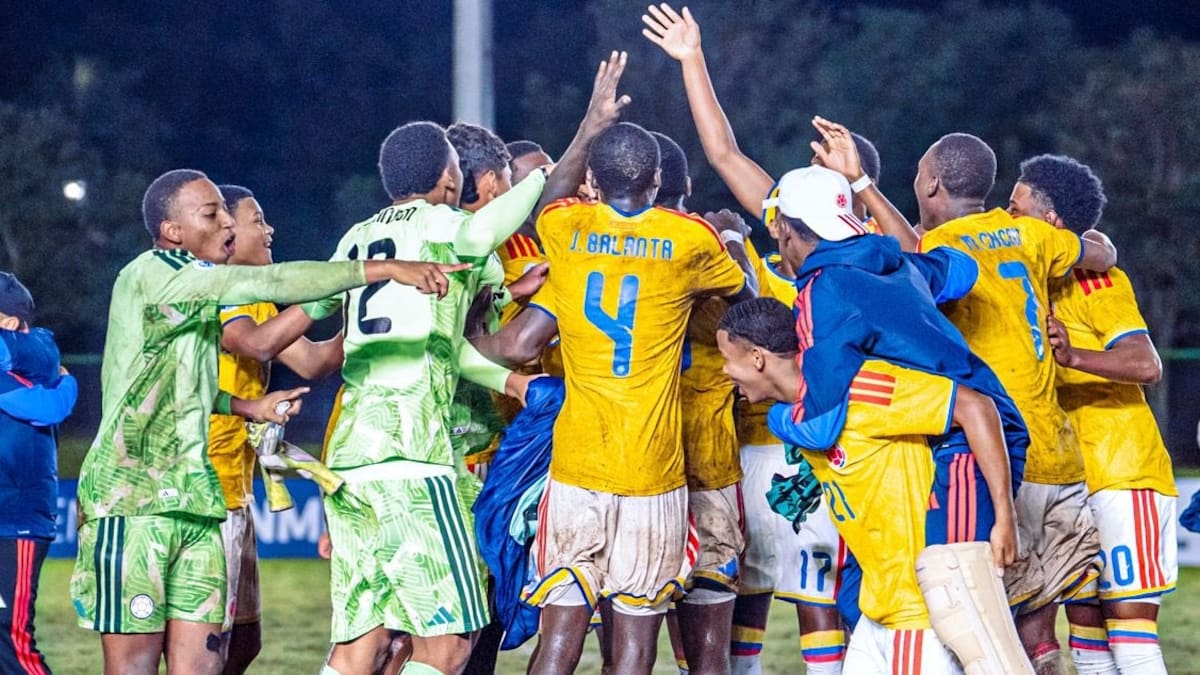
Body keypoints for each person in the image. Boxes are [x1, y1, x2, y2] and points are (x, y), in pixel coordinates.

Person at [69, 168, 466, 675]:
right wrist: (382, 268)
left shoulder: (200, 296)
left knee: (213, 662)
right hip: (133, 501)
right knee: (134, 667)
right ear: (173, 231)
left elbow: (182, 385)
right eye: (211, 214)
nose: (227, 226)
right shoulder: (151, 275)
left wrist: (246, 407)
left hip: (199, 499)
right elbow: (270, 282)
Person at [641, 8, 910, 671]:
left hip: (822, 450)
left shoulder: (860, 264)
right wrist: (691, 59)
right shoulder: (805, 259)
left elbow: (913, 256)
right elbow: (724, 154)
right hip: (760, 451)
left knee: (804, 602)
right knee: (759, 596)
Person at [482, 121, 752, 675]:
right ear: (657, 180)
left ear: (592, 183)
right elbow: (745, 298)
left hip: (578, 466)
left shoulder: (567, 231)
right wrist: (728, 241)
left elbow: (544, 206)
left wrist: (589, 124)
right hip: (654, 472)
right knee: (633, 646)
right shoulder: (689, 240)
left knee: (559, 639)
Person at [303, 119, 548, 675]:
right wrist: (543, 179)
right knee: (452, 642)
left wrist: (509, 377)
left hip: (350, 457)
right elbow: (484, 233)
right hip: (412, 452)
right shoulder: (447, 224)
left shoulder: (356, 237)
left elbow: (438, 342)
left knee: (361, 644)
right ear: (448, 175)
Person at [717, 297, 1017, 675]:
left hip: (919, 609)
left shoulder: (862, 388)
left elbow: (976, 407)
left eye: (727, 358)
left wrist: (1004, 517)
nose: (725, 371)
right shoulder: (794, 417)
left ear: (757, 357)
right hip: (876, 610)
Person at [915, 133, 1117, 674]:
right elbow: (1102, 252)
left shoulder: (939, 245)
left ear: (930, 183)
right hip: (1060, 452)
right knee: (1058, 622)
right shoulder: (1031, 234)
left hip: (1003, 453)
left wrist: (863, 187)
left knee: (978, 622)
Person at [1009, 154, 1176, 675]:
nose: (1005, 218)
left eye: (1016, 208)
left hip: (1124, 474)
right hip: (1067, 478)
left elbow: (1146, 364)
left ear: (1051, 219)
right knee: (1085, 637)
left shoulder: (1096, 280)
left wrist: (1074, 357)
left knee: (1130, 634)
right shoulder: (1022, 281)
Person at [208, 184, 345, 674]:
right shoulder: (214, 287)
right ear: (224, 228)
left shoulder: (257, 298)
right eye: (257, 219)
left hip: (235, 488)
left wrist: (370, 322)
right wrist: (334, 288)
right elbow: (258, 345)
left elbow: (310, 361)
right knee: (209, 644)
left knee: (244, 642)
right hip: (200, 491)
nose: (269, 230)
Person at [650, 130, 751, 675]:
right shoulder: (703, 242)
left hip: (636, 457)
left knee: (627, 640)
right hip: (708, 456)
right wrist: (732, 236)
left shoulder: (610, 243)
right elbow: (750, 311)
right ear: (685, 185)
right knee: (711, 649)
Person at [0, 273, 77, 675]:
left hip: (15, 523)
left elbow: (48, 409)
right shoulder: (37, 357)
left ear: (9, 322)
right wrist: (67, 383)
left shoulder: (21, 364)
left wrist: (66, 384)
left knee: (13, 642)